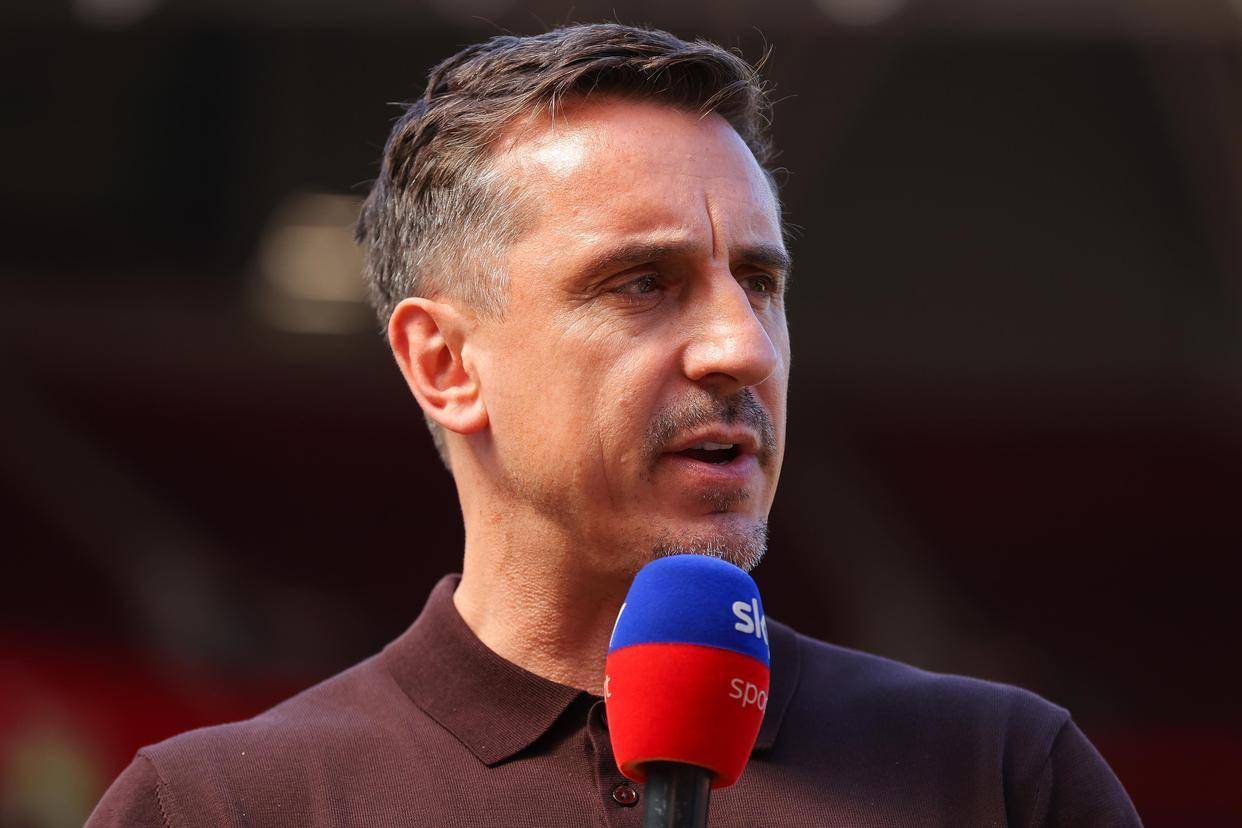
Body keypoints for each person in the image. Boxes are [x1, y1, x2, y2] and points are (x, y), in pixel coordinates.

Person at [88, 23, 1142, 826]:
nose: (742, 348)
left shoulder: (998, 776)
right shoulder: (220, 808)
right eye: (643, 282)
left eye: (760, 283)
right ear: (445, 363)